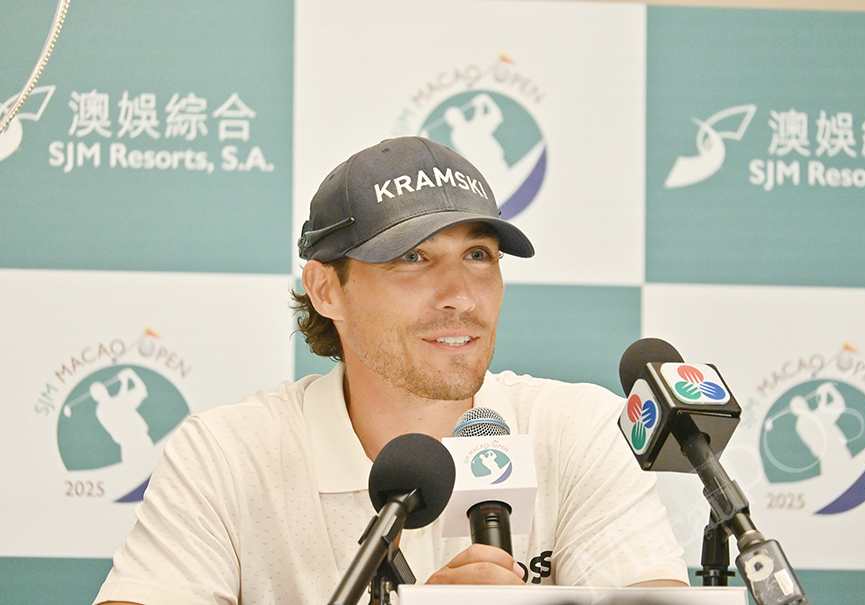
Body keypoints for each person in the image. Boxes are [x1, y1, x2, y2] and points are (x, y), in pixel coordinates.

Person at [94, 136, 687, 605]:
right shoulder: (226, 455)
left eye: (478, 255)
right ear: (326, 289)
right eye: (412, 257)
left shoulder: (578, 432)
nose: (460, 295)